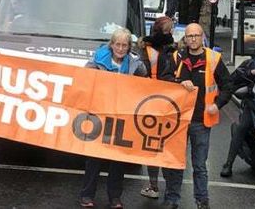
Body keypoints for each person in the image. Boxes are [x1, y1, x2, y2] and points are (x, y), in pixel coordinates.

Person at [162, 23, 232, 209]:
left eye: (196, 35)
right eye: (189, 36)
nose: (193, 39)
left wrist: (217, 105)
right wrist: (178, 81)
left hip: (201, 121)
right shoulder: (177, 57)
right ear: (185, 39)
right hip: (178, 120)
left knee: (200, 165)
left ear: (202, 37)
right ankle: (172, 199)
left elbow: (228, 86)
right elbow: (164, 79)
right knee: (175, 163)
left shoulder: (213, 59)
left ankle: (202, 201)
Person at [79, 28, 148, 208]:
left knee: (117, 159)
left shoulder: (135, 63)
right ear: (112, 45)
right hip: (99, 114)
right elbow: (84, 79)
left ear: (128, 47)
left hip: (121, 116)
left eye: (124, 45)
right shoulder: (97, 60)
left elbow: (146, 82)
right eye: (117, 44)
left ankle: (115, 198)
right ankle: (87, 195)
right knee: (94, 158)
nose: (120, 48)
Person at [220, 34, 255, 177]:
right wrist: (251, 72)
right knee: (242, 128)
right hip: (254, 103)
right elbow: (235, 77)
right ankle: (228, 164)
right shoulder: (251, 63)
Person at [137, 16, 175, 198]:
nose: (171, 34)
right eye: (169, 31)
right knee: (162, 147)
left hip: (152, 103)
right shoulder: (171, 49)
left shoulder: (146, 48)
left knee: (154, 146)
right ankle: (167, 189)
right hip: (162, 104)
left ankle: (156, 186)